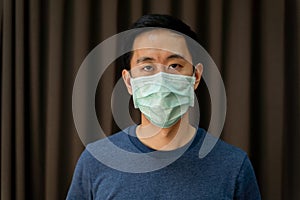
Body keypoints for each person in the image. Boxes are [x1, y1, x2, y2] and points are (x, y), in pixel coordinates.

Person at [67, 14, 261, 199]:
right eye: (147, 67)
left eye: (175, 65)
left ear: (196, 77)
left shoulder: (234, 165)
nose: (161, 80)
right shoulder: (96, 161)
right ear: (128, 82)